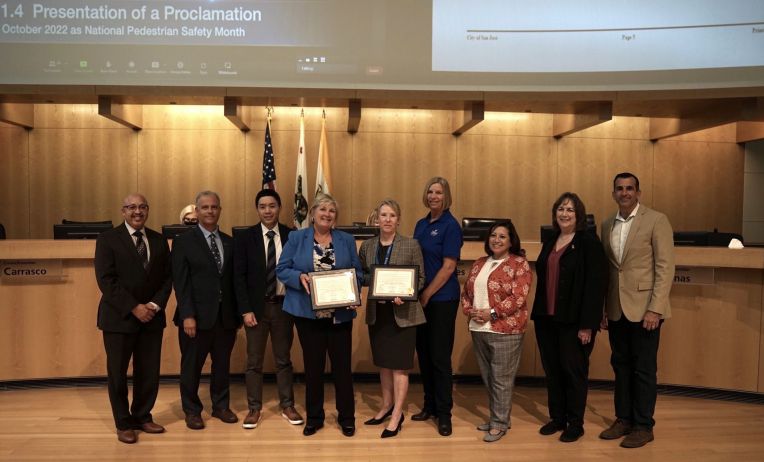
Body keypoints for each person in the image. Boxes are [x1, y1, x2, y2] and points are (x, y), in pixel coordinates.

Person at [276, 193, 363, 437]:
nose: (327, 214)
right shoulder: (296, 237)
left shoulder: (346, 239)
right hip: (307, 315)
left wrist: (352, 292)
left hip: (340, 315)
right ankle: (314, 417)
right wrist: (299, 277)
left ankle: (347, 417)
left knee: (342, 369)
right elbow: (282, 269)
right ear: (312, 213)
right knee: (313, 369)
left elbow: (358, 272)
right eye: (322, 209)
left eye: (332, 211)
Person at [600, 172, 675, 448]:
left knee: (643, 369)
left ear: (638, 193)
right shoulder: (607, 224)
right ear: (613, 194)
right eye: (619, 189)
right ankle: (624, 419)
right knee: (620, 367)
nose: (625, 193)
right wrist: (605, 308)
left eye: (630, 188)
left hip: (646, 311)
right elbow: (610, 271)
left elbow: (665, 268)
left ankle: (644, 425)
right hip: (618, 309)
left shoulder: (656, 220)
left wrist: (655, 309)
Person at [94, 193, 172, 444]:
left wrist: (153, 305)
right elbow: (106, 280)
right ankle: (123, 422)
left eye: (142, 207)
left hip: (152, 317)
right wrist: (134, 307)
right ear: (123, 211)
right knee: (117, 373)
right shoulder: (108, 239)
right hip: (119, 317)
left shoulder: (159, 241)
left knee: (148, 371)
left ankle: (142, 416)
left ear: (147, 210)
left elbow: (167, 279)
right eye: (131, 207)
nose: (137, 211)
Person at [532, 192, 607, 442]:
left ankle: (575, 423)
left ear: (579, 215)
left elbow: (596, 287)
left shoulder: (589, 242)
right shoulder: (551, 239)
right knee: (553, 371)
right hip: (547, 318)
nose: (564, 214)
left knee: (573, 372)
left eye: (570, 210)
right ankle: (557, 418)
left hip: (575, 321)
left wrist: (588, 325)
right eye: (561, 209)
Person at [233, 189, 304, 429]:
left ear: (279, 207)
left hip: (284, 307)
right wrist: (245, 310)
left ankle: (287, 405)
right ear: (257, 209)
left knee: (284, 360)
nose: (267, 210)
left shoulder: (292, 235)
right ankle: (254, 408)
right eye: (262, 206)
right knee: (254, 362)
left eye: (272, 205)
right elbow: (238, 278)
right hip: (256, 309)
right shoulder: (245, 237)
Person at [172, 190, 241, 430]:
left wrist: (238, 313)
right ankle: (192, 410)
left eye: (214, 207)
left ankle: (221, 406)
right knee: (191, 367)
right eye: (205, 207)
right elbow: (181, 283)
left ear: (219, 210)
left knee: (221, 365)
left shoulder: (230, 242)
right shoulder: (183, 242)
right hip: (196, 318)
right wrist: (187, 314)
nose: (210, 211)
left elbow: (234, 281)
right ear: (197, 211)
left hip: (225, 318)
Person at [359, 199, 426, 438]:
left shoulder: (411, 244)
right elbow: (364, 275)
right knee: (384, 364)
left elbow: (419, 280)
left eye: (392, 215)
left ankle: (397, 414)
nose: (387, 219)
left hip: (403, 314)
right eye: (383, 215)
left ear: (398, 219)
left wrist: (405, 294)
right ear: (376, 219)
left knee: (399, 367)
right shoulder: (367, 246)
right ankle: (386, 406)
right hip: (379, 313)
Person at [461, 221, 532, 443]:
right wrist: (469, 310)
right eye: (493, 235)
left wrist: (491, 313)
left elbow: (518, 298)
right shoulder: (479, 263)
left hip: (506, 330)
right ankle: (497, 418)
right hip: (478, 328)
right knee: (489, 378)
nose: (497, 240)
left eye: (502, 236)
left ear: (511, 241)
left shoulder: (519, 264)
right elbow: (466, 292)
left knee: (502, 379)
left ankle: (500, 423)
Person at [411, 176, 463, 436]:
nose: (433, 196)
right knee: (424, 354)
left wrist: (428, 293)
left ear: (446, 196)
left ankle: (445, 414)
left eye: (439, 192)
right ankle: (429, 405)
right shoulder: (421, 224)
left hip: (442, 299)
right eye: (430, 191)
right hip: (421, 298)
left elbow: (449, 266)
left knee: (440, 358)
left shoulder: (450, 226)